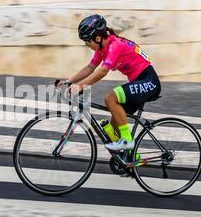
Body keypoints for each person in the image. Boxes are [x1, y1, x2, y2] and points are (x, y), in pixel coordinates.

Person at [57, 14, 161, 151]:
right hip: (137, 83)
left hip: (149, 81)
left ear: (98, 38)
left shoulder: (115, 45)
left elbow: (102, 71)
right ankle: (130, 158)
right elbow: (90, 67)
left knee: (110, 97)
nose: (88, 46)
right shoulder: (102, 49)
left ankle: (127, 141)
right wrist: (69, 81)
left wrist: (81, 85)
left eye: (88, 42)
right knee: (113, 128)